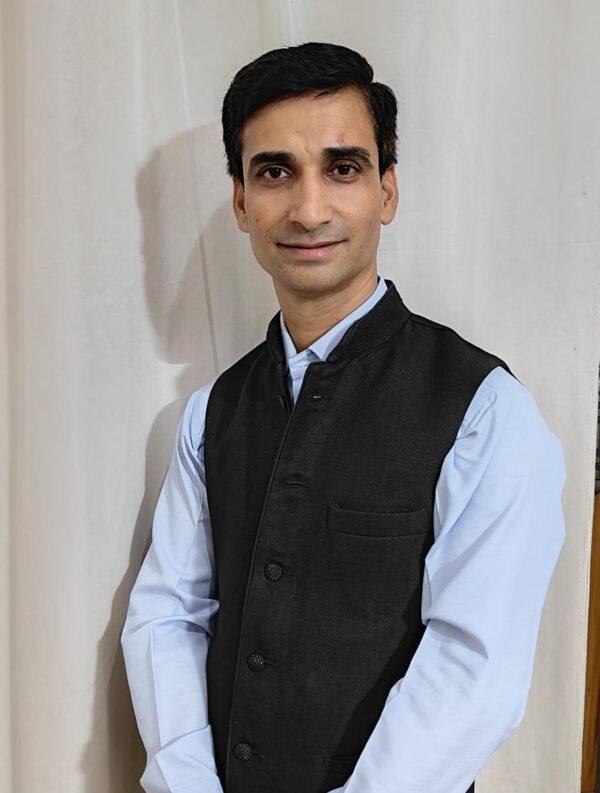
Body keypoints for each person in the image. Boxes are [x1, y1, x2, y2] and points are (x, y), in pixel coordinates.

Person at [121, 42, 566, 793]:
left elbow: (473, 669)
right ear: (241, 202)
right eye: (275, 172)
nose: (309, 209)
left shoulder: (486, 409)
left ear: (386, 191)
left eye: (343, 168)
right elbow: (167, 615)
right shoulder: (211, 413)